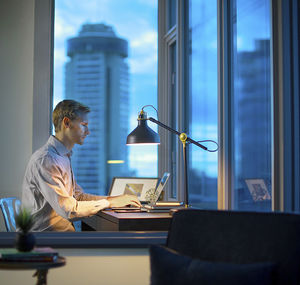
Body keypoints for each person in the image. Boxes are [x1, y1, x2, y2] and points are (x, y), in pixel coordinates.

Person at [22, 100, 141, 231]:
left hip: (60, 236)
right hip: (44, 240)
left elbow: (78, 197)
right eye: (84, 125)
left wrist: (114, 199)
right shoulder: (47, 160)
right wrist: (109, 203)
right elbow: (69, 210)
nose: (88, 132)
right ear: (66, 123)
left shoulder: (63, 156)